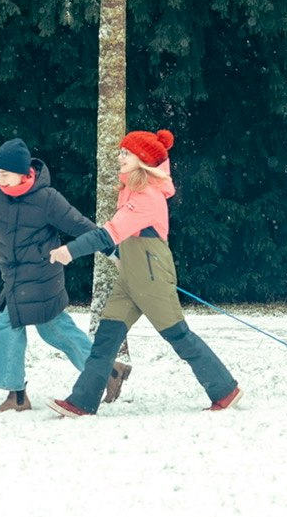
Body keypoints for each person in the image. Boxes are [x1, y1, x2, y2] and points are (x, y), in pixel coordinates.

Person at [47, 129, 240, 415]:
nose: (120, 156)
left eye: (126, 153)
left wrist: (69, 251)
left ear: (143, 159)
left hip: (151, 276)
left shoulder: (147, 196)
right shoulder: (132, 191)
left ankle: (225, 390)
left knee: (178, 335)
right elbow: (122, 236)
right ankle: (82, 402)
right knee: (106, 337)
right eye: (121, 152)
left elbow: (109, 233)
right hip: (130, 276)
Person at [0, 138, 99, 411]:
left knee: (10, 324)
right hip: (13, 276)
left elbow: (79, 225)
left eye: (5, 174)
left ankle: (19, 397)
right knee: (54, 328)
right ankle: (106, 371)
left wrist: (109, 245)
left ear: (24, 173)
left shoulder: (47, 198)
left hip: (42, 274)